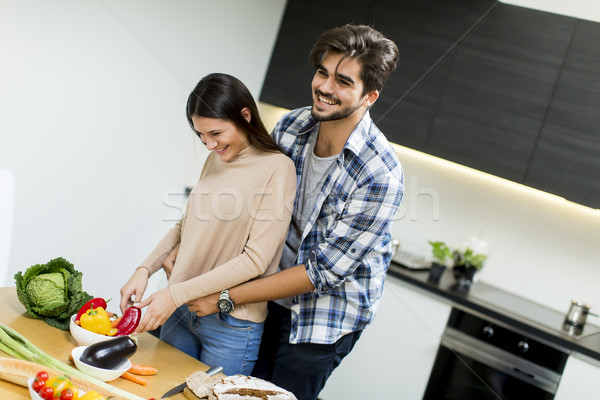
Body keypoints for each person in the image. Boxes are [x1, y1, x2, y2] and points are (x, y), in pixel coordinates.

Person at [187, 24, 403, 400]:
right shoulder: (292, 126)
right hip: (263, 294)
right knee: (229, 392)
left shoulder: (380, 174)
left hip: (322, 319)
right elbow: (252, 205)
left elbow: (322, 272)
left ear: (369, 96)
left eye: (342, 81)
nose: (324, 87)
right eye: (322, 72)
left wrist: (225, 296)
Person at [119, 73, 297, 376]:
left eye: (215, 133)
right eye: (202, 136)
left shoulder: (277, 168)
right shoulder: (217, 157)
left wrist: (174, 294)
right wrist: (144, 269)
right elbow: (185, 225)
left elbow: (256, 260)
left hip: (231, 324)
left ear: (244, 116)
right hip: (182, 312)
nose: (209, 144)